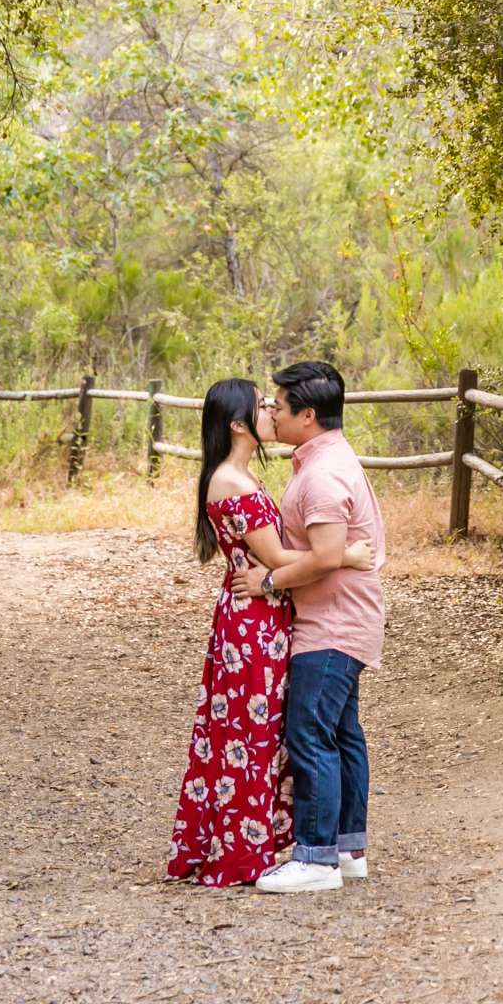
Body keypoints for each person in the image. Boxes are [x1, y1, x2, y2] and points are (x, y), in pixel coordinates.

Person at [168, 378, 374, 887]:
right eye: (262, 405)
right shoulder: (232, 482)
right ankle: (257, 850)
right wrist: (344, 554)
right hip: (253, 618)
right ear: (239, 425)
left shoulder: (245, 476)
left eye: (273, 403)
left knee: (277, 732)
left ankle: (309, 847)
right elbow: (278, 559)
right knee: (252, 732)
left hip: (269, 614)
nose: (269, 411)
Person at [231, 360, 386, 894]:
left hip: (332, 623)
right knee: (342, 734)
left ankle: (316, 858)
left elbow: (322, 557)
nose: (271, 410)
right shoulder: (326, 460)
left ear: (308, 415)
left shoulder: (321, 474)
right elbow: (330, 553)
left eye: (278, 404)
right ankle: (348, 848)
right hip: (344, 616)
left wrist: (269, 580)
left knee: (309, 733)